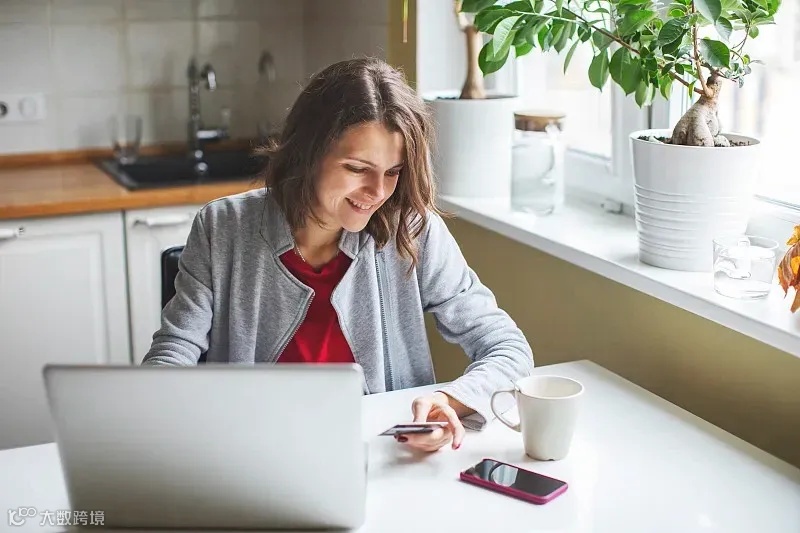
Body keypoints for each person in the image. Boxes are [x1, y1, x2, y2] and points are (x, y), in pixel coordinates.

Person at [141, 57, 534, 453]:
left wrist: (449, 401)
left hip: (385, 457)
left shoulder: (412, 230)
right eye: (357, 168)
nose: (378, 191)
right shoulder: (222, 227)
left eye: (393, 171)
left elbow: (508, 348)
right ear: (307, 153)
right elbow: (173, 352)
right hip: (249, 455)